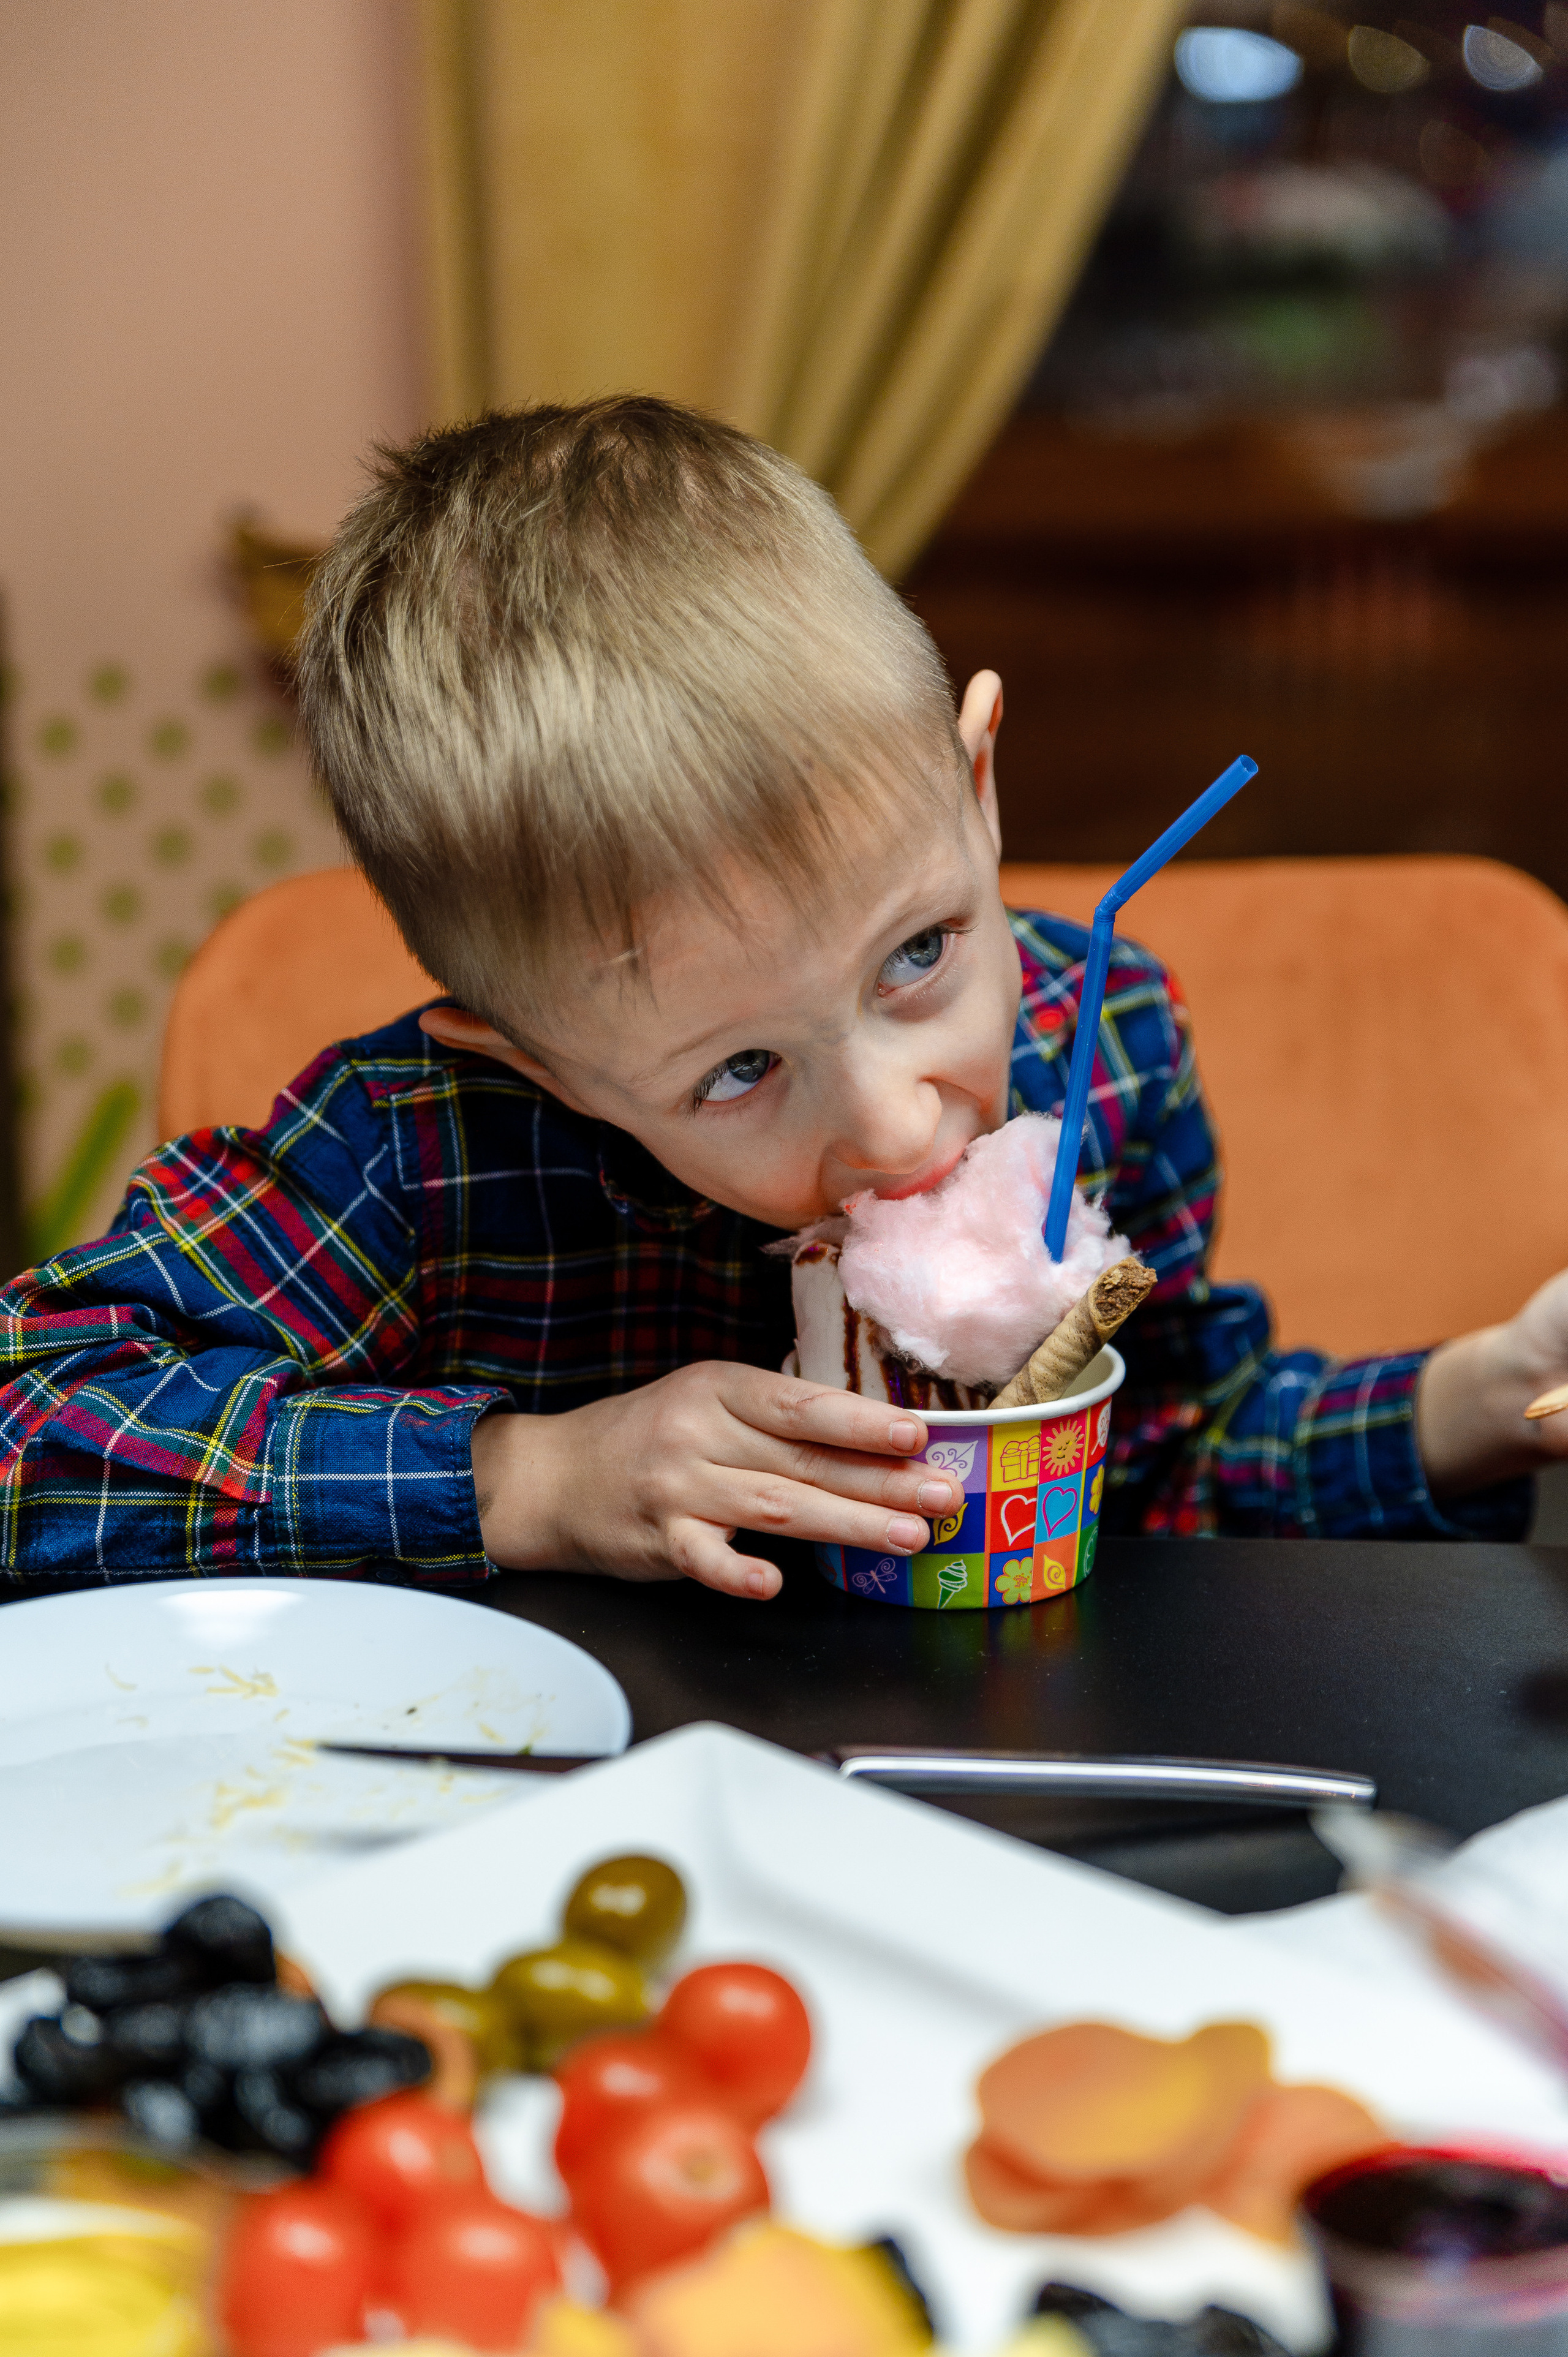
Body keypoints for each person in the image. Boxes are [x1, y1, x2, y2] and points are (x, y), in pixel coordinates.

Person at [1, 397, 1563, 1592]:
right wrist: (522, 1480)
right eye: (737, 1069)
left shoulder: (1113, 1044)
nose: (895, 1124)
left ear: (976, 789)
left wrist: (1479, 1400)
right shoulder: (417, 1152)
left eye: (917, 954)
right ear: (543, 1061)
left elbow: (1172, 1456)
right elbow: (32, 1425)